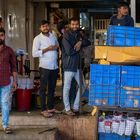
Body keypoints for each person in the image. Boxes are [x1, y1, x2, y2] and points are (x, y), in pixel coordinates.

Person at [62, 17, 91, 115]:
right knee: (67, 87)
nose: (75, 26)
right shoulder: (66, 35)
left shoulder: (79, 34)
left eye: (76, 24)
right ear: (70, 25)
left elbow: (88, 42)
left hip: (78, 66)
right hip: (69, 66)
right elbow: (69, 51)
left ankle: (75, 106)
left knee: (82, 86)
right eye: (73, 24)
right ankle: (67, 109)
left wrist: (81, 42)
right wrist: (78, 47)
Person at [32, 20, 60, 118]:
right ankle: (43, 109)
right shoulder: (37, 39)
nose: (45, 28)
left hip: (54, 66)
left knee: (52, 88)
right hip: (44, 66)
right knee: (43, 89)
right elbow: (34, 53)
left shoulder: (53, 36)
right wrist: (47, 49)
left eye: (47, 26)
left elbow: (57, 46)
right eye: (43, 26)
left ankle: (51, 107)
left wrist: (55, 47)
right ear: (40, 28)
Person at [0, 28, 17, 134]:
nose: (0, 37)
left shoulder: (9, 50)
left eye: (1, 35)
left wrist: (15, 81)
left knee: (5, 103)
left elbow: (14, 67)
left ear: (4, 36)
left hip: (6, 81)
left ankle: (5, 125)